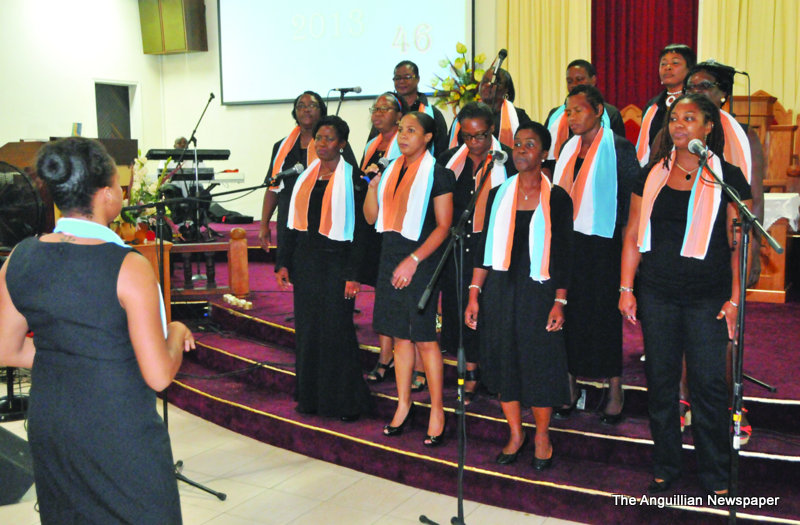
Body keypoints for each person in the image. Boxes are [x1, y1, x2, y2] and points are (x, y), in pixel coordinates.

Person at [0, 137, 195, 523]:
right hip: (116, 425)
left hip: (52, 421)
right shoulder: (128, 265)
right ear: (107, 194)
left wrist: (74, 356)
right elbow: (158, 374)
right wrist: (176, 330)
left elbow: (8, 349)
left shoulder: (19, 256)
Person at [620, 94, 750, 495]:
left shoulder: (728, 177)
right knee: (660, 382)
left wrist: (734, 299)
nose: (678, 124)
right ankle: (666, 465)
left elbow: (739, 246)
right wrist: (626, 287)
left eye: (689, 118)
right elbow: (632, 233)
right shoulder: (651, 174)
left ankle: (715, 472)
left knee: (708, 384)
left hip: (708, 296)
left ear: (708, 127)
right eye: (674, 118)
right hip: (657, 293)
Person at [464, 121, 573, 469]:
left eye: (530, 144)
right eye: (517, 144)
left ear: (544, 153)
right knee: (503, 362)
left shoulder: (557, 198)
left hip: (539, 292)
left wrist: (560, 300)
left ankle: (541, 435)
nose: (521, 150)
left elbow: (564, 255)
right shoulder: (499, 193)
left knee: (540, 364)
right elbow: (484, 248)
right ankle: (515, 433)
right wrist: (474, 294)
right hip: (500, 290)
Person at [680, 60, 766, 443]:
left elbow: (753, 199)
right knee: (684, 327)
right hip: (683, 247)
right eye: (691, 86)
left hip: (725, 246)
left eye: (705, 86)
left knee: (726, 331)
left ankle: (733, 403)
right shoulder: (677, 131)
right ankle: (684, 396)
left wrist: (752, 250)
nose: (696, 92)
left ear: (723, 95)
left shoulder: (743, 136)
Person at [363, 111, 454, 446]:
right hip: (390, 256)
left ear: (427, 137)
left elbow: (444, 226)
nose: (402, 136)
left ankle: (437, 411)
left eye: (411, 131)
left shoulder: (439, 174)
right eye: (401, 130)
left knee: (425, 339)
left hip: (422, 260)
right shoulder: (389, 171)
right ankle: (403, 404)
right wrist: (373, 187)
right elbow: (371, 218)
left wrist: (414, 261)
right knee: (400, 336)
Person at [275, 116, 373, 421]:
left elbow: (361, 232)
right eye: (318, 138)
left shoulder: (355, 180)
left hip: (338, 265)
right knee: (308, 331)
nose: (321, 143)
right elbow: (289, 224)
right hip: (306, 264)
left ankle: (344, 402)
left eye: (329, 139)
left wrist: (354, 274)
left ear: (342, 144)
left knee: (337, 332)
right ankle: (311, 398)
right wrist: (283, 262)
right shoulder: (303, 177)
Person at [551, 85, 639, 424]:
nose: (572, 117)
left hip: (606, 245)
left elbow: (630, 201)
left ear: (599, 110)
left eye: (579, 110)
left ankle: (615, 389)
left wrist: (626, 249)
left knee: (604, 317)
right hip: (569, 242)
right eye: (568, 111)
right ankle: (569, 385)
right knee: (568, 314)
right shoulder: (567, 148)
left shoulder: (619, 148)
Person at [437, 102, 516, 403]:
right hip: (458, 247)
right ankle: (470, 372)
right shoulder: (449, 160)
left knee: (492, 310)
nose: (473, 143)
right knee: (461, 311)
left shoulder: (507, 159)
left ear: (492, 129)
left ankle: (496, 372)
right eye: (467, 136)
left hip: (495, 247)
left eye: (480, 135)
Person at [258, 91, 358, 252]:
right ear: (295, 112)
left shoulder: (334, 146)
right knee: (288, 263)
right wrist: (264, 224)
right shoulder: (281, 147)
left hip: (323, 219)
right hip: (289, 219)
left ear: (322, 111)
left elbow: (351, 182)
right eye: (301, 106)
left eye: (312, 105)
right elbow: (272, 188)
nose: (306, 109)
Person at [360, 92, 406, 384]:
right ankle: (385, 354)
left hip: (397, 227)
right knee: (382, 296)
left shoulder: (404, 145)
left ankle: (405, 360)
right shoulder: (371, 145)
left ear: (399, 116)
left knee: (398, 297)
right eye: (374, 109)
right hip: (374, 225)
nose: (377, 113)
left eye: (384, 109)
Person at [544, 59, 627, 161]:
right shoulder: (554, 115)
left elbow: (619, 151)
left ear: (593, 80)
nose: (574, 84)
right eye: (569, 81)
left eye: (579, 79)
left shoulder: (611, 113)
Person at [636, 44, 696, 166]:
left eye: (675, 63)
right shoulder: (653, 105)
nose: (668, 67)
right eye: (663, 64)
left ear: (690, 69)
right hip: (654, 167)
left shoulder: (695, 104)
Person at [448, 68, 532, 150]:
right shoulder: (467, 114)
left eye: (495, 82)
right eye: (485, 81)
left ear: (506, 90)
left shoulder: (519, 116)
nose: (488, 85)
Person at [393, 60, 449, 156]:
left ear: (418, 79)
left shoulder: (432, 114)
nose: (401, 81)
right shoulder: (389, 112)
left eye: (407, 77)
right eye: (397, 78)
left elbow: (441, 150)